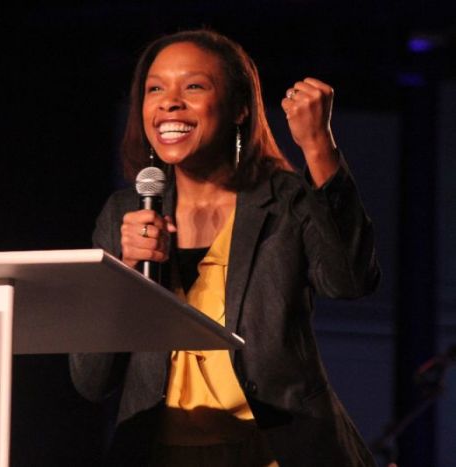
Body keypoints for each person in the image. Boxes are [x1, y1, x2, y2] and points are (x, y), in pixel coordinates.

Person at [69, 29, 380, 467]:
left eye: (193, 86)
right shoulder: (125, 213)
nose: (169, 102)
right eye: (155, 88)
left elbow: (350, 280)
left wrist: (317, 147)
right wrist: (125, 269)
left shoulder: (284, 199)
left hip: (279, 451)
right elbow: (90, 379)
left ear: (239, 109)